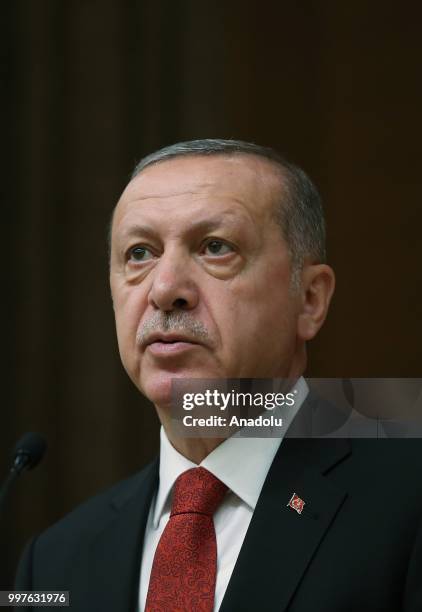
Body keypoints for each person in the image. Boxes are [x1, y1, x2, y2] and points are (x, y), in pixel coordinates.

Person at [15, 140, 422, 611]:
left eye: (214, 248)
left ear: (310, 299)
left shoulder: (407, 503)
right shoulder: (53, 562)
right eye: (139, 253)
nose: (165, 289)